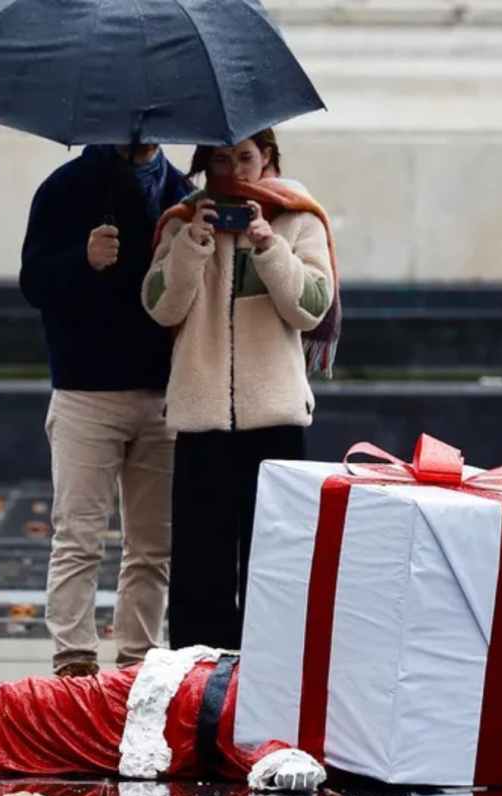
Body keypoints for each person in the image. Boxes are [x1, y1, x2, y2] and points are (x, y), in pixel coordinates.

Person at [141, 129, 340, 651]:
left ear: (267, 157)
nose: (234, 171)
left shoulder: (298, 217)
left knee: (273, 559)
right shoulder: (182, 221)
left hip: (274, 419)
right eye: (222, 160)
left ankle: (269, 668)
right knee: (199, 563)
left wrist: (269, 247)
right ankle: (198, 674)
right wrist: (191, 246)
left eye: (245, 157)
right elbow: (160, 307)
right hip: (201, 415)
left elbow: (310, 307)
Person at [20, 144, 191, 677]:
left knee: (153, 545)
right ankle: (73, 662)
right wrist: (84, 259)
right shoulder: (65, 187)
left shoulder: (181, 194)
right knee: (78, 538)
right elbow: (33, 282)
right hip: (86, 394)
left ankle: (138, 665)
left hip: (164, 396)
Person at [0, 637, 325, 791]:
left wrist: (282, 760)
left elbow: (267, 750)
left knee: (18, 717)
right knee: (29, 703)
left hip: (169, 724)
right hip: (179, 687)